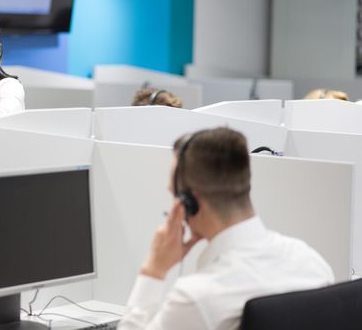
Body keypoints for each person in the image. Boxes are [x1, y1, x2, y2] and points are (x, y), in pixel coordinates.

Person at [118, 127, 334, 330]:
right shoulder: (310, 260)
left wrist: (154, 270)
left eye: (174, 195)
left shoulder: (196, 297)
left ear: (188, 203)